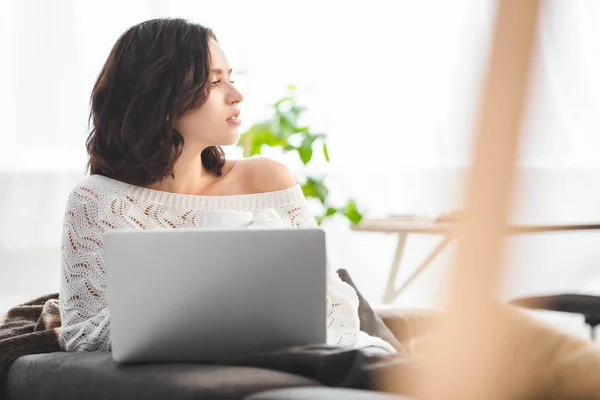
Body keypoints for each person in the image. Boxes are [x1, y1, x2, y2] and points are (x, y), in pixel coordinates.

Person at [59, 18, 396, 354]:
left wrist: (266, 244)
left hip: (314, 363)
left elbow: (336, 323)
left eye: (230, 78)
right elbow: (81, 336)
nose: (237, 95)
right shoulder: (97, 201)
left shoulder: (266, 181)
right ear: (160, 96)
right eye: (215, 82)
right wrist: (206, 297)